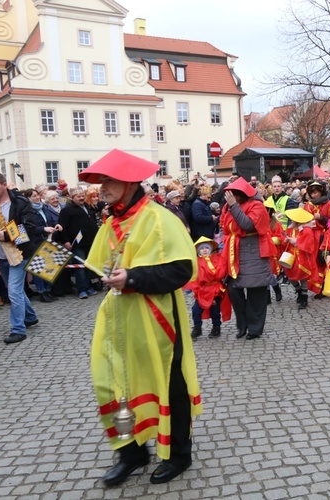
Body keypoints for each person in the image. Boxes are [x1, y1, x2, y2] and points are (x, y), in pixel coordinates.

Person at [79, 149, 202, 486]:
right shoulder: (111, 221)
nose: (101, 186)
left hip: (158, 320)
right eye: (100, 180)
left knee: (169, 386)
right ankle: (131, 452)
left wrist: (132, 278)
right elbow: (103, 263)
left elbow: (181, 270)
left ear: (130, 183)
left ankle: (179, 454)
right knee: (115, 383)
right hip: (119, 319)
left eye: (108, 180)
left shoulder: (161, 219)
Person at [0, 173, 40, 344]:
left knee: (13, 291)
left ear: (4, 185)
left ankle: (18, 330)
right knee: (16, 291)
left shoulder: (20, 203)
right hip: (1, 255)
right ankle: (30, 317)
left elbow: (30, 229)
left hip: (20, 254)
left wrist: (7, 235)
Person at [220, 177, 275, 340]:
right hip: (235, 252)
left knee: (255, 293)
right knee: (233, 290)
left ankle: (254, 328)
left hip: (254, 253)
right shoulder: (230, 207)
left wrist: (233, 206)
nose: (231, 198)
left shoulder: (256, 205)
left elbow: (247, 224)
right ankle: (242, 324)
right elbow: (226, 226)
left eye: (234, 195)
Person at [58, 187, 99, 299]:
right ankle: (82, 289)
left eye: (82, 196)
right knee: (80, 267)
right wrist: (66, 241)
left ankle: (89, 287)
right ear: (72, 197)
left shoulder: (87, 206)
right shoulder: (66, 210)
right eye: (78, 196)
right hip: (76, 243)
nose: (81, 198)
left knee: (89, 266)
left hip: (90, 242)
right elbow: (63, 227)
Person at [23, 189, 62, 303]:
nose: (37, 198)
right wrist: (43, 229)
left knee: (48, 266)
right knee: (38, 268)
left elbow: (49, 221)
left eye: (37, 195)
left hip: (47, 240)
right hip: (35, 241)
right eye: (34, 196)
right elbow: (28, 228)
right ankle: (41, 291)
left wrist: (56, 225)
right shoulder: (28, 211)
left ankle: (48, 290)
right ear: (28, 199)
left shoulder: (44, 208)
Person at [189, 237, 229, 339]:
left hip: (215, 289)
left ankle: (216, 327)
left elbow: (221, 272)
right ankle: (197, 328)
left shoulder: (217, 258)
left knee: (215, 310)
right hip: (202, 291)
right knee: (196, 309)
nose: (204, 250)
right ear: (198, 251)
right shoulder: (196, 262)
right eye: (202, 249)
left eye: (206, 248)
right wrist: (196, 290)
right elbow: (194, 278)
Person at [281, 208, 318, 310]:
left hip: (302, 257)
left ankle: (304, 297)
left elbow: (309, 243)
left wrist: (296, 241)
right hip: (291, 256)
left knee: (303, 276)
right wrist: (285, 240)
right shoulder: (290, 228)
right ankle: (299, 291)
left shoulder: (306, 229)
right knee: (290, 275)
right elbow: (285, 242)